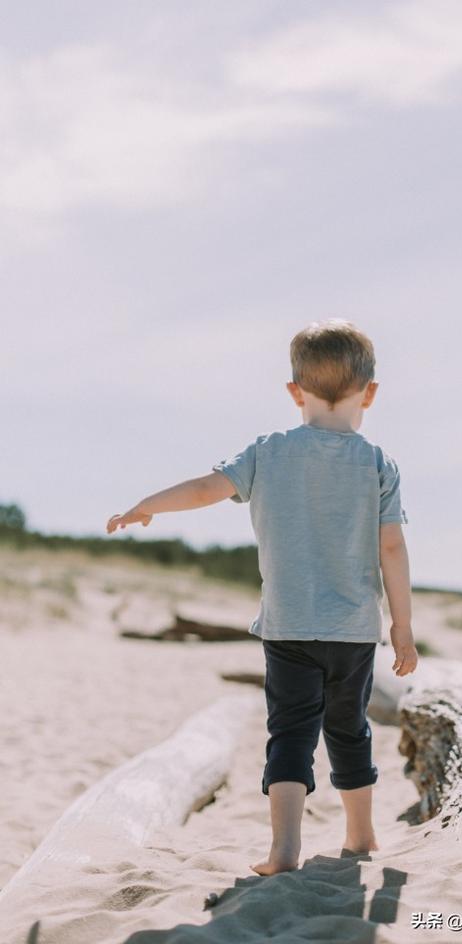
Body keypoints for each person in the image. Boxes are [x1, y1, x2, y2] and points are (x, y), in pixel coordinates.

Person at [106, 317, 418, 876]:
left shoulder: (268, 453)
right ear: (370, 393)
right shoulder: (378, 463)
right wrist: (401, 626)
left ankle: (283, 849)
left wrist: (146, 504)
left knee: (291, 732)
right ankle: (363, 835)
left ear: (295, 392)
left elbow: (206, 488)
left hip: (288, 627)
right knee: (350, 729)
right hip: (352, 631)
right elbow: (391, 549)